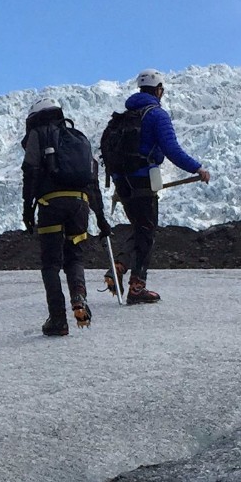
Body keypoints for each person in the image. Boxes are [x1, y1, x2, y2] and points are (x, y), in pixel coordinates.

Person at [99, 70, 210, 304]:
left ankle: (119, 267)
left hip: (122, 181)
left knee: (140, 228)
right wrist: (197, 168)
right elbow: (171, 149)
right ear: (158, 89)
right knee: (147, 232)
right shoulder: (156, 115)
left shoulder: (125, 116)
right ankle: (137, 287)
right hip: (143, 180)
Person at [21, 101, 111, 336]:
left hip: (51, 203)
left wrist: (27, 209)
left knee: (51, 262)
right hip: (80, 203)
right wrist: (100, 217)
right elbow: (93, 181)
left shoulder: (38, 134)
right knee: (75, 257)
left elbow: (30, 171)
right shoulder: (77, 138)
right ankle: (79, 296)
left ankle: (58, 319)